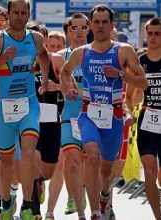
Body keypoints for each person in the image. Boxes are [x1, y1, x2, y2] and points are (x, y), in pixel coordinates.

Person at [60, 4, 147, 220]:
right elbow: (64, 72)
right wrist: (68, 87)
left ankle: (105, 193)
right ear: (90, 25)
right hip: (88, 114)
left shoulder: (123, 51)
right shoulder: (82, 53)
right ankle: (95, 212)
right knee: (92, 154)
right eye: (96, 22)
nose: (100, 26)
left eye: (104, 22)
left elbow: (143, 82)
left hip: (114, 117)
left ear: (111, 25)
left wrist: (120, 75)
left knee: (107, 172)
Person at [0, 0, 50, 219]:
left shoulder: (35, 38)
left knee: (28, 151)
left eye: (23, 12)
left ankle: (27, 204)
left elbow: (44, 55)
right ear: (8, 14)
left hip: (29, 104)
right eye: (15, 12)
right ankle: (7, 201)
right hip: (4, 107)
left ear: (29, 14)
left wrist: (44, 78)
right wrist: (1, 59)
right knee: (6, 161)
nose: (19, 16)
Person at [25, 20, 65, 220]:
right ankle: (35, 212)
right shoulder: (20, 61)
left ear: (46, 39)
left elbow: (71, 89)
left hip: (52, 121)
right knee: (32, 160)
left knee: (48, 171)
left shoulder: (55, 60)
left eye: (39, 37)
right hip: (29, 120)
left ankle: (39, 181)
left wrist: (58, 87)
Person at [126, 17, 161, 220]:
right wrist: (129, 113)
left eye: (158, 33)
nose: (153, 37)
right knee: (149, 170)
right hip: (148, 121)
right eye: (150, 33)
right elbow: (129, 98)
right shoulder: (140, 63)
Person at [57, 12, 91, 220]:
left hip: (93, 116)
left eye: (83, 28)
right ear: (68, 32)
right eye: (74, 28)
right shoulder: (61, 56)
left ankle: (94, 194)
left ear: (89, 29)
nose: (79, 32)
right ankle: (80, 213)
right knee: (74, 161)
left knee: (91, 164)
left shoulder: (98, 54)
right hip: (69, 115)